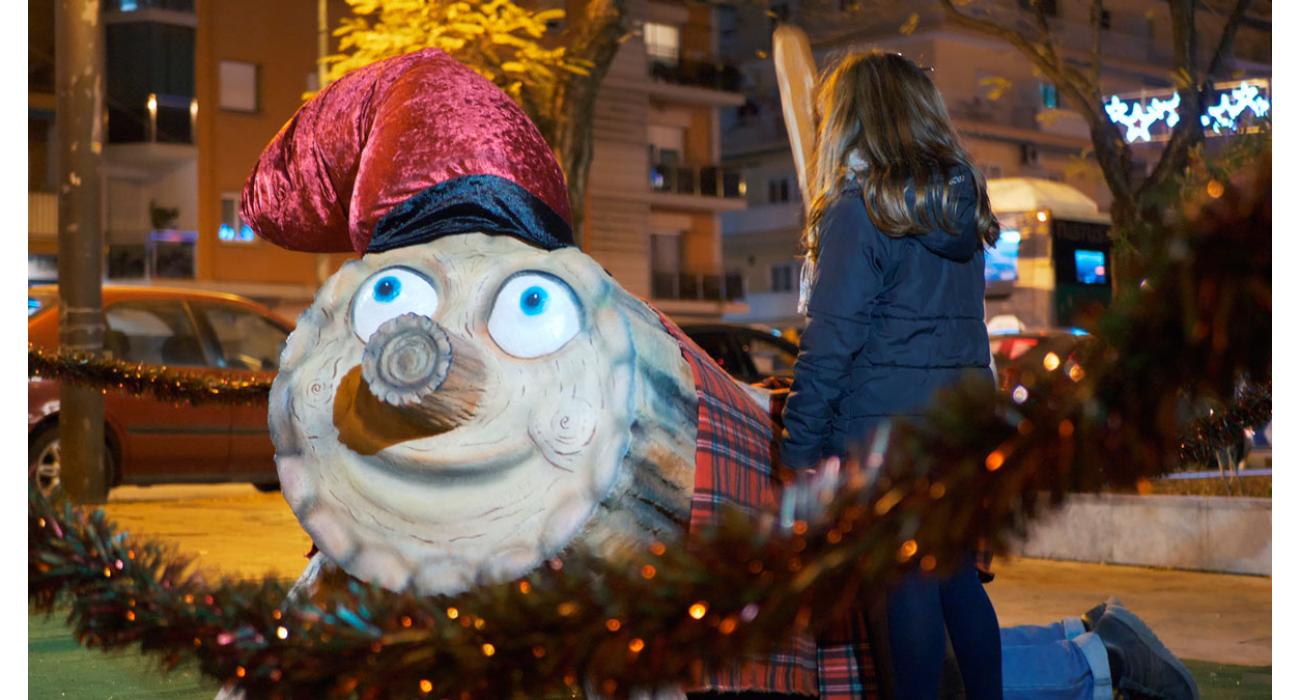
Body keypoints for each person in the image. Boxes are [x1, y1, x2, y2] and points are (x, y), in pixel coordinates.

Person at [779, 51, 1005, 699]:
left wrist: (798, 447)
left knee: (906, 586)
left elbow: (830, 343)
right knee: (957, 580)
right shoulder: (957, 211)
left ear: (853, 119)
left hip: (884, 439)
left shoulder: (860, 212)